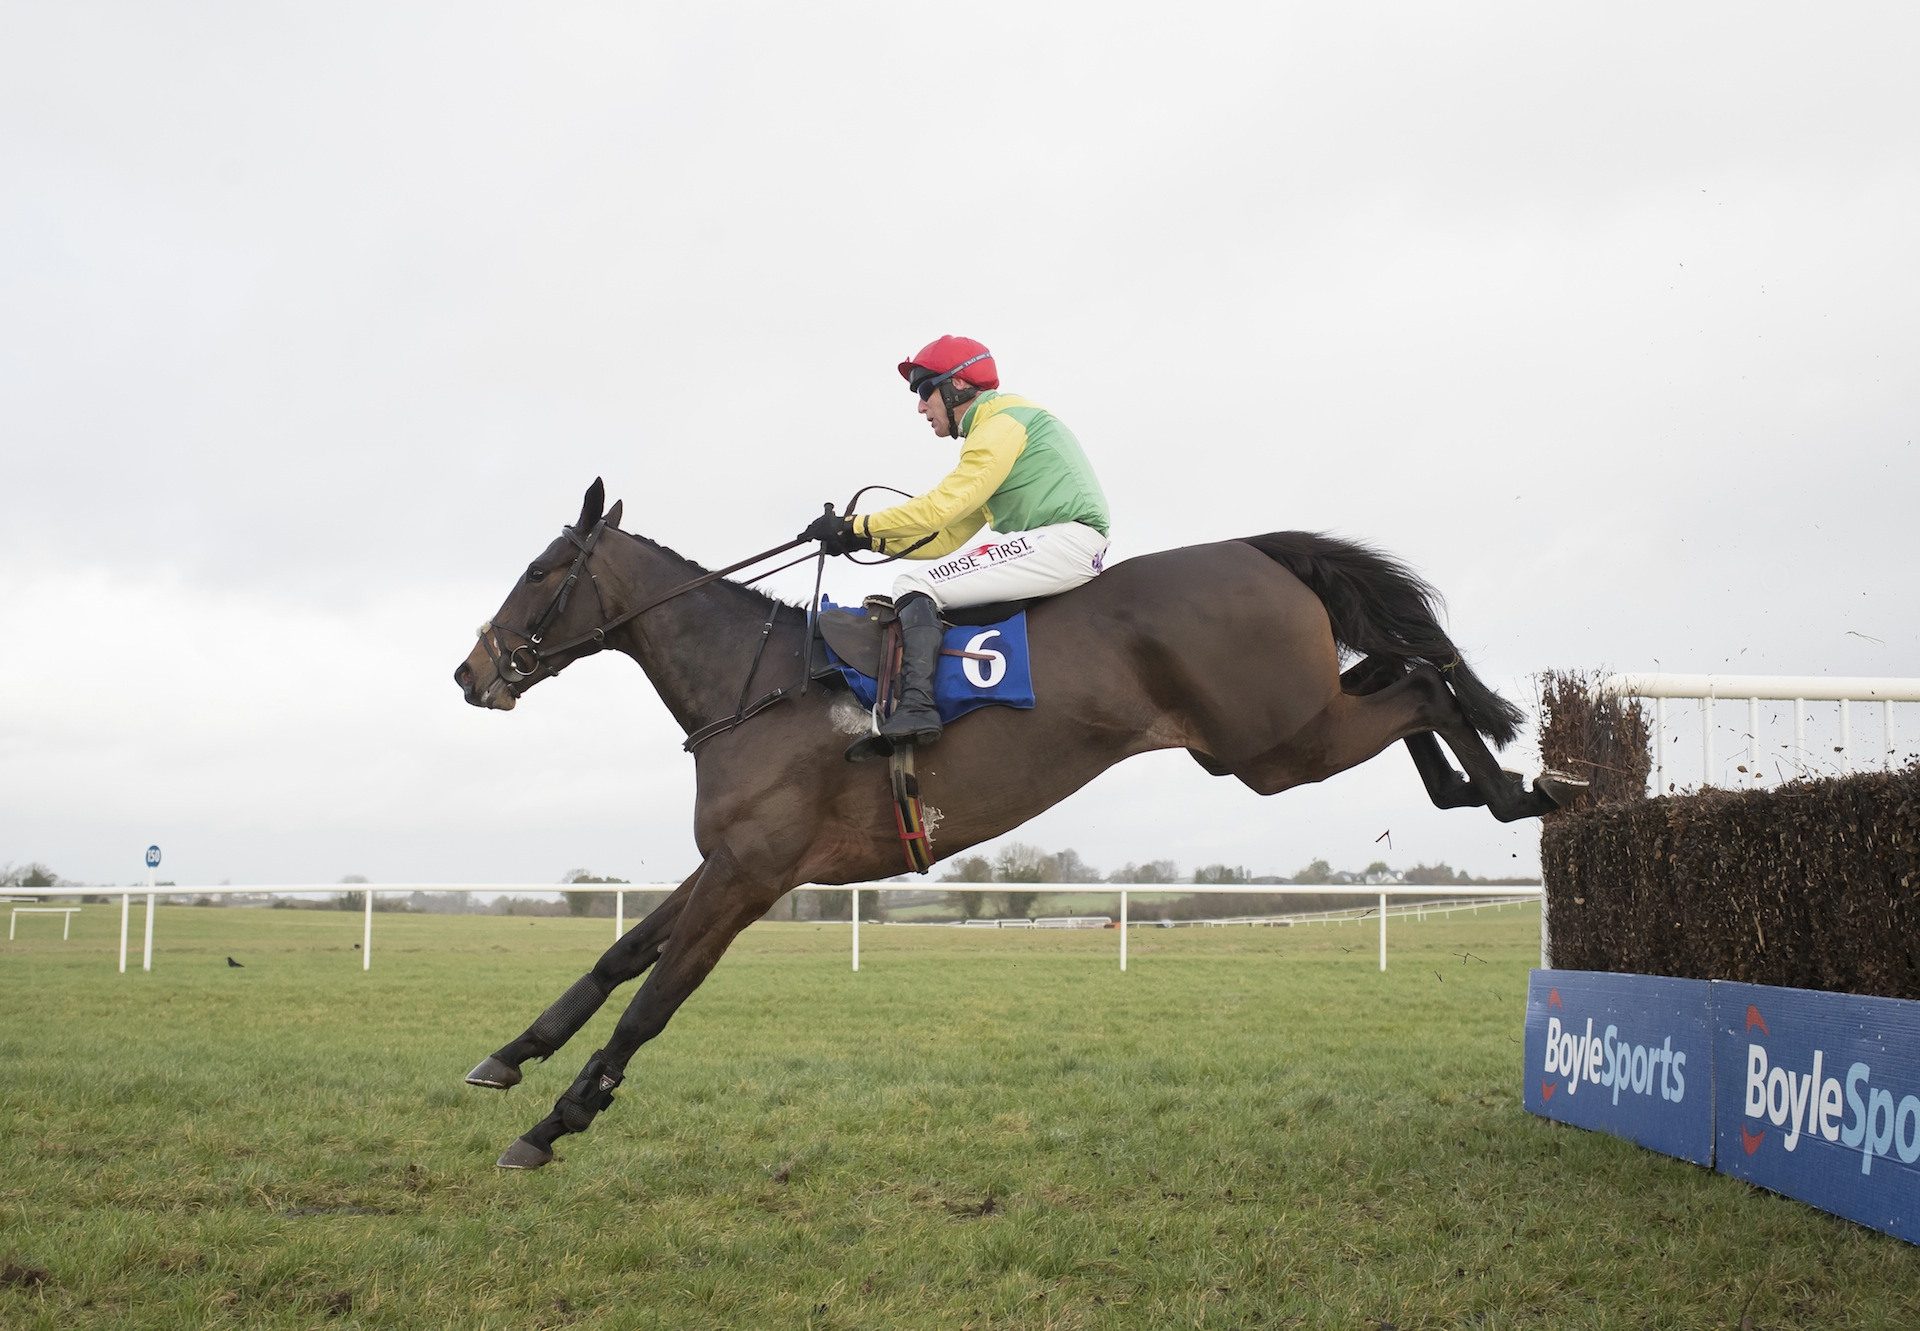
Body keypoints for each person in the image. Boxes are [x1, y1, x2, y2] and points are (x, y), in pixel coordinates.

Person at [800, 335, 1111, 756]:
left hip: (1063, 541)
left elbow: (938, 509)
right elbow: (945, 536)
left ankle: (917, 707)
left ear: (957, 385)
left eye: (924, 391)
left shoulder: (1000, 425)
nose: (920, 407)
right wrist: (866, 539)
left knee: (914, 585)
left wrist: (855, 525)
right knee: (925, 584)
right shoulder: (997, 427)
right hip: (1057, 542)